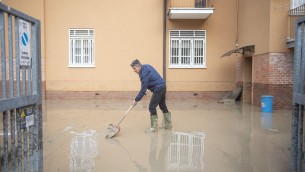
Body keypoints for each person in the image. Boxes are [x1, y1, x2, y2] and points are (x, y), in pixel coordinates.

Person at [130, 59, 172, 133]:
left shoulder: (144, 75)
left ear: (138, 66)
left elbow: (143, 89)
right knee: (162, 105)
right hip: (163, 86)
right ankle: (168, 125)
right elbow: (151, 80)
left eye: (134, 68)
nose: (134, 70)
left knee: (152, 107)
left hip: (158, 89)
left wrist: (136, 100)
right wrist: (146, 88)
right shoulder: (146, 66)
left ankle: (154, 127)